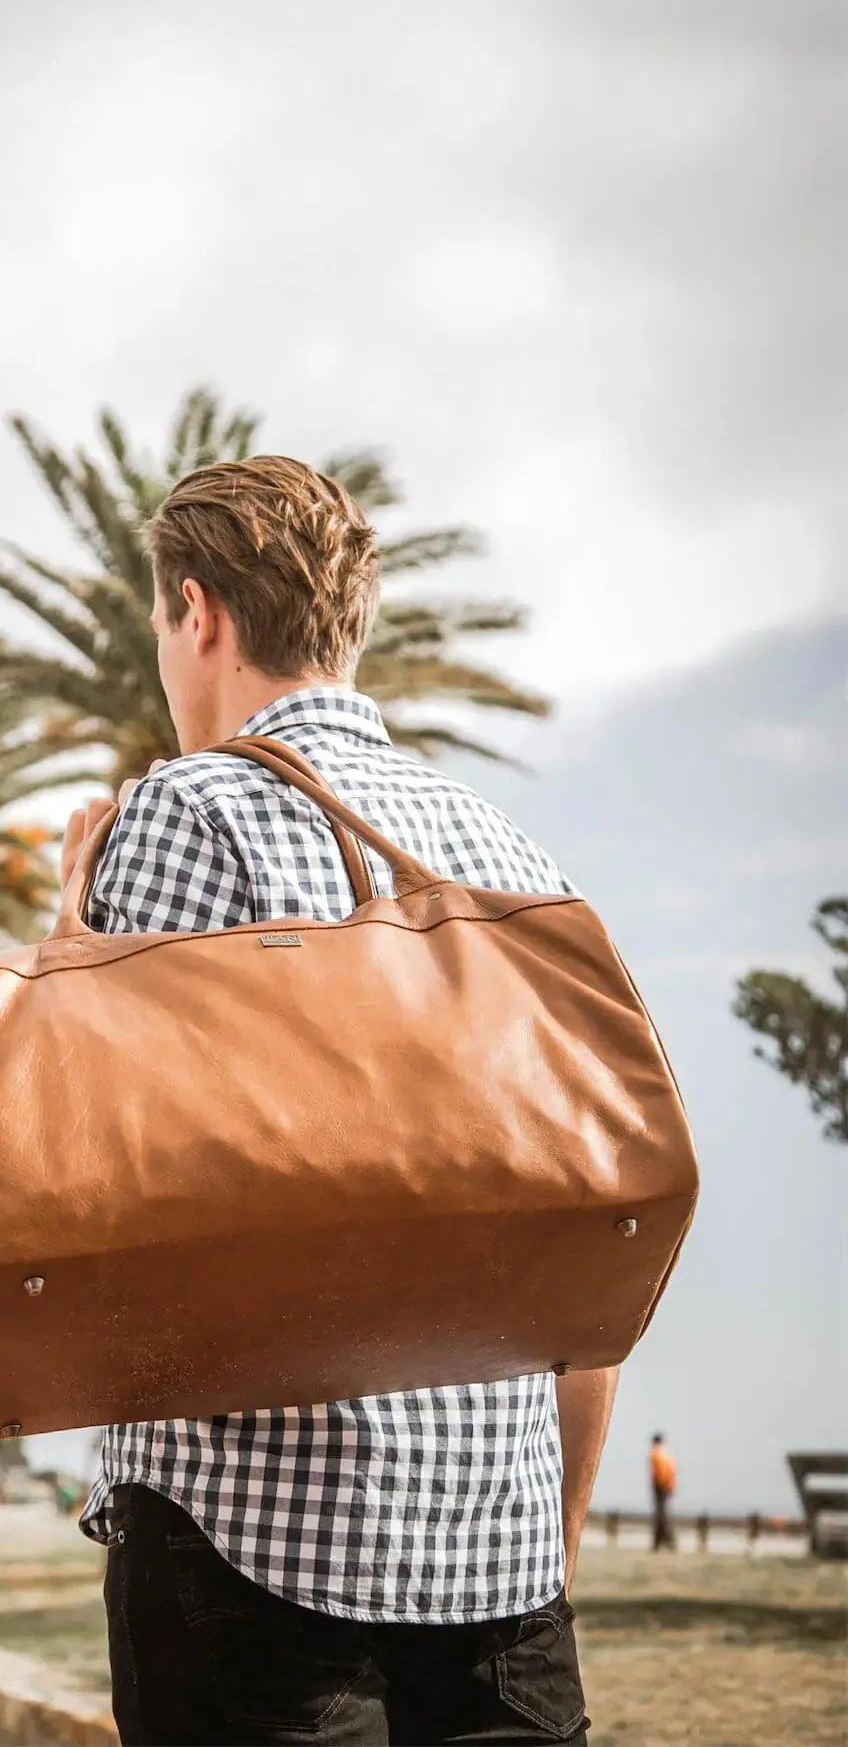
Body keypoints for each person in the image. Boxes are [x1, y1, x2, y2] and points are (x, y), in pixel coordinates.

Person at [62, 456, 617, 1745]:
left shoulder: (184, 815)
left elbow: (82, 1165)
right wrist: (551, 1553)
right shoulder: (503, 853)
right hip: (501, 1568)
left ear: (197, 614)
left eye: (158, 625)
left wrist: (67, 924)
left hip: (251, 1552)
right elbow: (589, 1221)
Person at [650, 1433, 678, 1552]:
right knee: (661, 1515)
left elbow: (659, 1473)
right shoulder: (667, 1454)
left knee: (661, 1516)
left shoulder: (656, 1453)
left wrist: (661, 1486)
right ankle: (659, 1543)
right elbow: (672, 1471)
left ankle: (666, 1542)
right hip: (667, 1486)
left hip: (661, 1487)